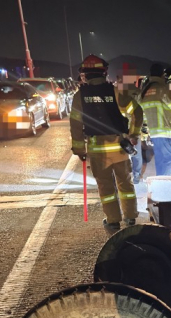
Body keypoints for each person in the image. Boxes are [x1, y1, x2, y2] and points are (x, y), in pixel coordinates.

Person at [70, 54, 138, 234]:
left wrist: (79, 149)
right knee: (125, 184)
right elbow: (137, 111)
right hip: (119, 148)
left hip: (97, 150)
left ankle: (113, 221)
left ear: (84, 74)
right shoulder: (116, 92)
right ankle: (130, 217)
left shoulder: (79, 96)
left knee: (106, 187)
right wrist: (134, 134)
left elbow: (76, 124)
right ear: (104, 71)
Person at [138, 64, 171, 176]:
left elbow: (142, 115)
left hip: (153, 132)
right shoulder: (162, 89)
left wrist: (144, 135)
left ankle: (159, 186)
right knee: (168, 161)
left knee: (161, 162)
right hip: (164, 131)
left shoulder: (145, 91)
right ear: (162, 74)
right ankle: (162, 188)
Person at [116, 73, 144, 183]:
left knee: (125, 153)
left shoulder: (117, 93)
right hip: (133, 127)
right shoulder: (137, 91)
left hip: (122, 129)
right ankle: (136, 176)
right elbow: (140, 111)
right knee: (136, 153)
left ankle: (129, 175)